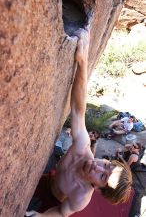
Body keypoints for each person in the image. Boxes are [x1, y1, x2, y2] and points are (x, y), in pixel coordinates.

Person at [26, 27, 132, 217]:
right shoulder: (82, 148)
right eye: (106, 165)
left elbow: (61, 211)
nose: (97, 166)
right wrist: (82, 63)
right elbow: (78, 108)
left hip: (50, 202)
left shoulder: (81, 196)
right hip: (44, 179)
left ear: (98, 188)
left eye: (102, 176)